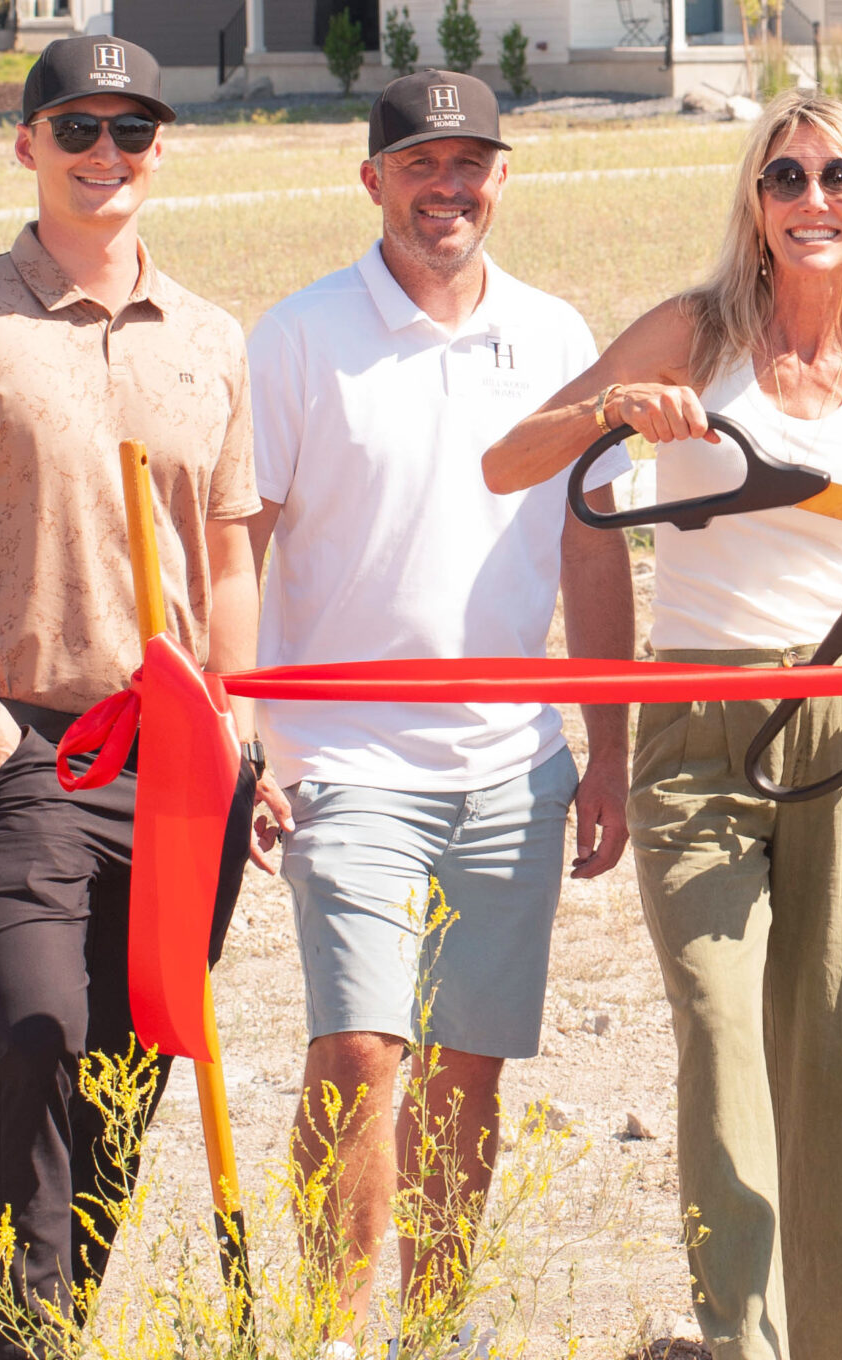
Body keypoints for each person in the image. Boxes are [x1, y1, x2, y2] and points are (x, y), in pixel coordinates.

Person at [485, 91, 842, 1360]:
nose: (814, 200)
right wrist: (617, 410)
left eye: (841, 178)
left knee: (838, 1046)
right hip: (695, 721)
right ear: (754, 200)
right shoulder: (694, 335)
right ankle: (742, 1336)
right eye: (786, 176)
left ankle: (837, 1343)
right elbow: (509, 464)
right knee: (718, 1021)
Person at [0, 36, 277, 1359]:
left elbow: (228, 554)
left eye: (133, 131)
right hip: (31, 754)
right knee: (40, 1033)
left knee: (131, 1063)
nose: (107, 154)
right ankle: (22, 1340)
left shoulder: (212, 341)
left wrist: (244, 743)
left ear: (164, 149)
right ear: (25, 144)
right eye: (78, 128)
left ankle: (62, 1325)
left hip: (182, 768)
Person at [244, 71, 637, 1347]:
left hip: (510, 761)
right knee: (362, 1051)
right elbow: (243, 546)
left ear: (504, 178)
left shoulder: (558, 335)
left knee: (467, 1067)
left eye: (471, 163)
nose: (448, 188)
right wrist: (248, 739)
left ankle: (438, 1322)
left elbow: (591, 552)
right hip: (344, 756)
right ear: (372, 182)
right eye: (420, 164)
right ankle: (332, 1328)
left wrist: (606, 749)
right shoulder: (301, 336)